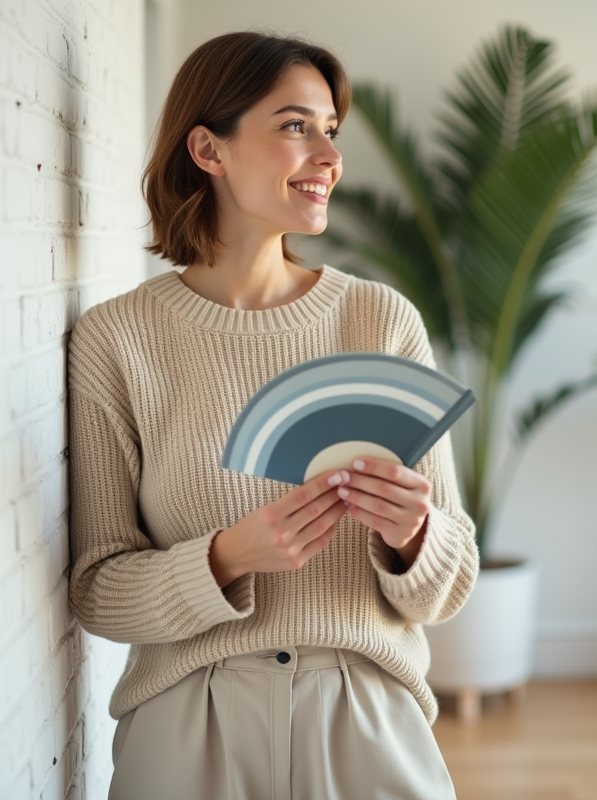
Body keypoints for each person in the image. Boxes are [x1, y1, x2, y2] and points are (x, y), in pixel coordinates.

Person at [67, 31, 479, 799]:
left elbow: (449, 587)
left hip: (365, 715)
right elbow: (97, 588)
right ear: (208, 149)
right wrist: (225, 557)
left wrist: (414, 535)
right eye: (296, 126)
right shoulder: (117, 340)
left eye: (331, 130)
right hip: (189, 724)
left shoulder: (379, 320)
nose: (329, 156)